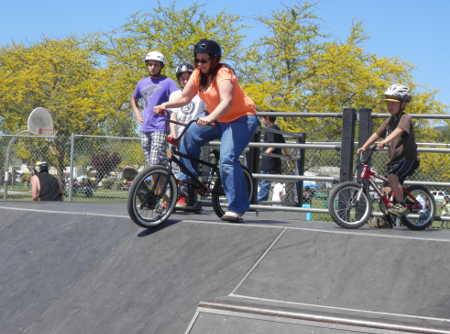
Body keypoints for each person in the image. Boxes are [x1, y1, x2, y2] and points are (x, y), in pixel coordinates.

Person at [154, 39, 259, 222]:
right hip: (218, 119)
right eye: (197, 61)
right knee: (189, 135)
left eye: (204, 61)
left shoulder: (223, 73)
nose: (200, 65)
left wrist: (210, 117)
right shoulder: (197, 74)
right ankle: (190, 184)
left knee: (227, 160)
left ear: (215, 60)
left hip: (241, 119)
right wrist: (165, 104)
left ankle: (236, 208)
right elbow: (185, 97)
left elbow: (226, 101)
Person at [357, 84, 419, 216]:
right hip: (395, 160)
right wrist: (365, 146)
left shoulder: (405, 118)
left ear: (403, 104)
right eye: (388, 103)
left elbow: (399, 130)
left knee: (393, 177)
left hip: (407, 158)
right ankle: (387, 219)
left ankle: (402, 205)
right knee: (385, 190)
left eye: (393, 104)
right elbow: (377, 133)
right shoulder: (390, 120)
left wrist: (385, 141)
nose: (390, 106)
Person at [168, 62, 206, 209]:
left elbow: (205, 113)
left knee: (194, 167)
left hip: (194, 136)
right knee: (176, 168)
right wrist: (173, 133)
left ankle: (192, 199)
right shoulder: (176, 95)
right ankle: (179, 197)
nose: (185, 81)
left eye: (188, 77)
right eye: (182, 78)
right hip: (178, 136)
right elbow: (174, 116)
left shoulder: (201, 95)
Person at [131, 50, 178, 167]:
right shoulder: (142, 83)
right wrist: (137, 113)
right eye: (150, 64)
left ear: (161, 66)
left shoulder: (168, 83)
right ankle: (159, 185)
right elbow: (133, 98)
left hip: (160, 126)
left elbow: (178, 99)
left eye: (155, 65)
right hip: (145, 126)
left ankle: (165, 182)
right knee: (150, 164)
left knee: (155, 161)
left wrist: (166, 108)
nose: (152, 67)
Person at [257, 111, 286, 202]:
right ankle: (263, 198)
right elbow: (283, 143)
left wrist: (265, 153)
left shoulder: (270, 129)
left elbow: (272, 144)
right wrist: (286, 153)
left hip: (269, 161)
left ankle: (261, 199)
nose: (261, 120)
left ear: (267, 118)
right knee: (267, 181)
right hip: (275, 161)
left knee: (265, 181)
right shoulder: (277, 128)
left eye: (262, 118)